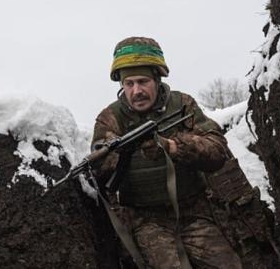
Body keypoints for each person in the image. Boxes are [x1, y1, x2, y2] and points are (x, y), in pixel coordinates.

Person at [92, 36, 242, 269]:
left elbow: (217, 150)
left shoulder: (182, 105)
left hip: (194, 212)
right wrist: (119, 154)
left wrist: (172, 147)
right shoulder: (110, 118)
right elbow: (98, 171)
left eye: (143, 81)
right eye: (129, 84)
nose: (136, 91)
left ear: (157, 78)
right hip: (147, 221)